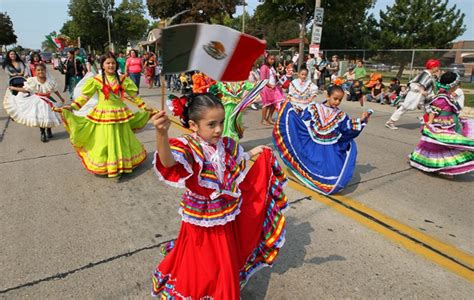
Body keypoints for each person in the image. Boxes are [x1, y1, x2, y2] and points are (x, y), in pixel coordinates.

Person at [150, 93, 288, 299]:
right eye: (211, 124)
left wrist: (254, 152)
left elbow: (236, 159)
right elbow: (169, 163)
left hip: (224, 212)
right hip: (200, 216)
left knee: (223, 256)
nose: (218, 129)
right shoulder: (190, 146)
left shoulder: (225, 144)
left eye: (221, 122)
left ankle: (220, 287)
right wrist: (161, 133)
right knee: (202, 257)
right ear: (194, 125)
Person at [57, 52, 155, 178]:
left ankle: (122, 164)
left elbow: (134, 96)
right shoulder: (96, 80)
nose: (111, 65)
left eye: (113, 63)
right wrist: (72, 107)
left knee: (122, 139)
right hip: (103, 114)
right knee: (105, 141)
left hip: (120, 113)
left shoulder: (123, 79)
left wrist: (145, 107)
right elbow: (85, 97)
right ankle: (109, 165)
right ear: (102, 65)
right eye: (108, 63)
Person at [273, 85, 371, 195]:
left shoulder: (341, 115)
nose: (337, 102)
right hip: (311, 144)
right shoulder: (314, 108)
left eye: (340, 100)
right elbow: (302, 121)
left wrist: (361, 120)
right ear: (328, 96)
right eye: (335, 98)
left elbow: (347, 127)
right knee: (307, 157)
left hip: (329, 149)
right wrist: (291, 111)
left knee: (332, 173)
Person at [408, 72, 473, 177]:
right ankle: (440, 167)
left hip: (450, 122)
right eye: (457, 85)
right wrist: (429, 123)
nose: (458, 87)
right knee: (441, 145)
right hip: (441, 124)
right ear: (453, 86)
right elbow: (434, 111)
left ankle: (446, 166)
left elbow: (452, 109)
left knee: (448, 145)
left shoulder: (447, 96)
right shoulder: (442, 97)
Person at [4, 63, 65, 142]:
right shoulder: (33, 80)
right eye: (38, 70)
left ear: (45, 70)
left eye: (42, 70)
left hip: (48, 100)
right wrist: (14, 88)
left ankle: (49, 130)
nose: (40, 72)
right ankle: (43, 133)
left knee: (49, 116)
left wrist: (61, 98)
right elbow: (26, 89)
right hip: (38, 101)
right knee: (41, 117)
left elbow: (55, 90)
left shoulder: (50, 80)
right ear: (35, 71)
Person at [385, 59, 440, 130]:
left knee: (429, 109)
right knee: (404, 108)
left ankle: (428, 122)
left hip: (422, 97)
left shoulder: (429, 75)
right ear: (433, 67)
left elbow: (430, 85)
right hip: (415, 95)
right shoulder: (424, 74)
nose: (438, 68)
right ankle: (390, 122)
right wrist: (421, 91)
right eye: (437, 66)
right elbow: (413, 84)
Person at [260, 54, 285, 125]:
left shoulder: (272, 67)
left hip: (274, 87)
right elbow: (263, 79)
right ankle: (263, 119)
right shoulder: (264, 67)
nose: (272, 61)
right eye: (271, 59)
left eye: (273, 59)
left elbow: (274, 77)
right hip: (266, 88)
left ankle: (269, 118)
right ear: (267, 59)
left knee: (274, 103)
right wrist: (270, 85)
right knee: (266, 104)